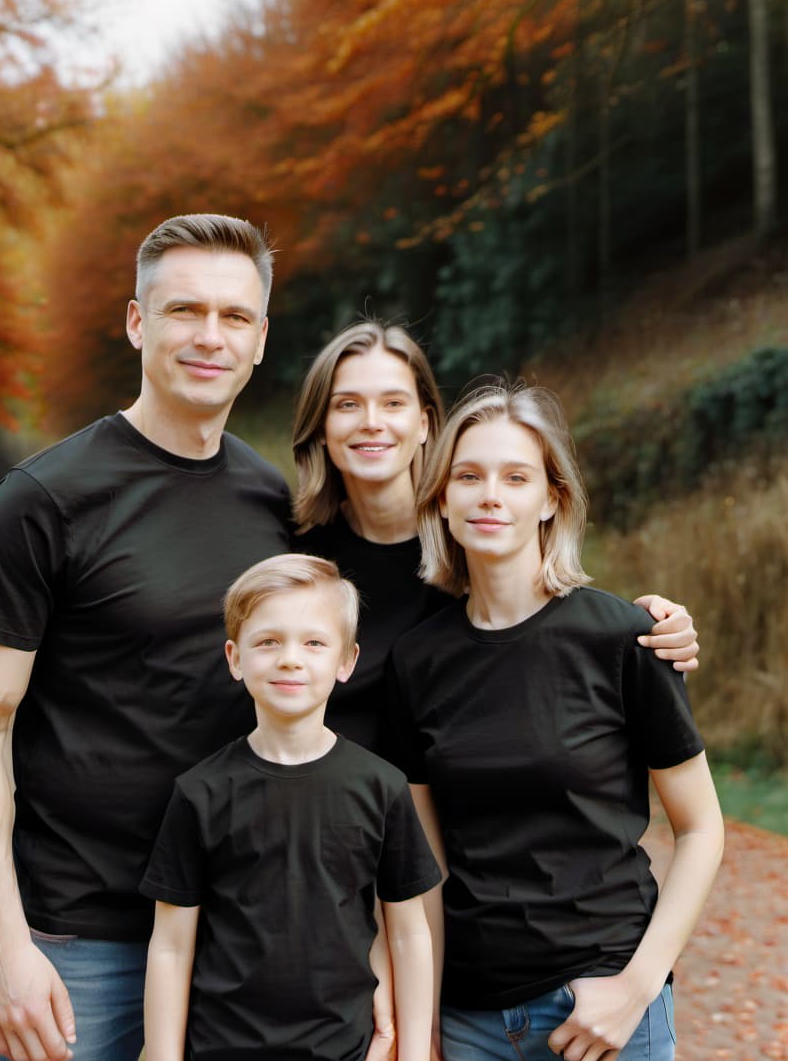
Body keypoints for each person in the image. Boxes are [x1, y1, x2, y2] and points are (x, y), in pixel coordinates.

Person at [0, 214, 292, 1061]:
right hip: (81, 938)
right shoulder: (45, 500)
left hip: (240, 930)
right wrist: (5, 948)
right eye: (184, 311)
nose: (210, 336)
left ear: (260, 340)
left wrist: (631, 627)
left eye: (234, 317)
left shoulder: (272, 499)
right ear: (138, 323)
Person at [386, 382, 724, 1061]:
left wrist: (636, 988)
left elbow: (701, 829)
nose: (490, 496)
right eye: (469, 476)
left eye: (516, 477)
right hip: (472, 1022)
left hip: (601, 1013)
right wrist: (427, 1032)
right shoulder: (417, 662)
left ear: (551, 500)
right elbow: (430, 869)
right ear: (441, 498)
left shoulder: (625, 638)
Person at [292, 321, 702, 753]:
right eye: (348, 405)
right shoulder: (295, 553)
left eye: (393, 403)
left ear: (425, 423)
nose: (372, 422)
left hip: (449, 805)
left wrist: (654, 639)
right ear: (321, 424)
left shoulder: (476, 537)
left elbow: (561, 636)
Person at [141, 554, 440, 1061]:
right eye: (268, 641)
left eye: (314, 643)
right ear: (234, 658)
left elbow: (408, 930)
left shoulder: (381, 787)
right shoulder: (200, 793)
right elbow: (170, 945)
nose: (290, 660)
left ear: (347, 661)